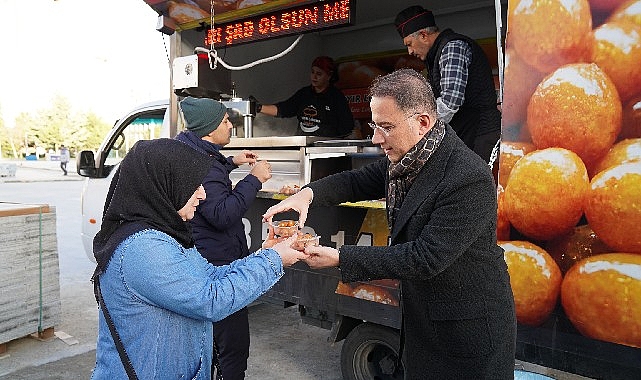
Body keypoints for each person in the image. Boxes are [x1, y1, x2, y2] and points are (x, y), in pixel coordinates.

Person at [263, 69, 516, 379]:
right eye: (374, 125)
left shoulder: (466, 177)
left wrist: (340, 257)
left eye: (386, 127)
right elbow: (356, 181)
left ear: (422, 123)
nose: (375, 138)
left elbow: (425, 257)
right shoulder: (408, 158)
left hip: (467, 330)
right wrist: (307, 195)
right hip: (424, 319)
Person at [90, 137, 305, 380]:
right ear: (165, 185)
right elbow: (211, 300)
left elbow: (211, 276)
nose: (202, 195)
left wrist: (267, 254)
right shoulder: (143, 248)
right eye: (194, 185)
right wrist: (274, 260)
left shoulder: (165, 233)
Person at [175, 96, 272, 380]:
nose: (231, 126)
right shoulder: (204, 165)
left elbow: (211, 176)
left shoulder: (190, 150)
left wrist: (231, 162)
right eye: (226, 121)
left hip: (202, 256)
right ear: (209, 128)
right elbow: (221, 214)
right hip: (218, 264)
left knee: (212, 339)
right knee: (232, 344)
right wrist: (254, 178)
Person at [394, 5, 501, 163]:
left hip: (481, 132)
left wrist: (419, 129)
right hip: (467, 133)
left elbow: (450, 102)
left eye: (409, 44)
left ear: (423, 35)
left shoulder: (452, 48)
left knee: (476, 186)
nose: (410, 52)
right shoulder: (437, 55)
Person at [254, 56, 355, 138]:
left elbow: (347, 127)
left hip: (327, 151)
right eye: (312, 72)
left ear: (329, 76)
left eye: (319, 74)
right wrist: (258, 107)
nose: (314, 77)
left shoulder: (336, 97)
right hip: (303, 146)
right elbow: (284, 109)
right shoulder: (304, 94)